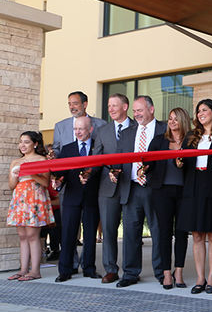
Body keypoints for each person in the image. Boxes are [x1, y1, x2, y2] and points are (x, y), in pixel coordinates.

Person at [113, 95, 167, 287]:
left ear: (151, 109)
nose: (136, 114)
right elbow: (119, 159)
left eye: (140, 110)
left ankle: (162, 273)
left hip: (156, 188)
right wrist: (114, 171)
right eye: (134, 111)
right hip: (132, 187)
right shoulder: (127, 133)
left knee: (159, 232)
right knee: (130, 233)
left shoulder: (165, 129)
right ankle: (130, 273)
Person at [179, 99, 212, 294]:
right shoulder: (191, 135)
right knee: (197, 235)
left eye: (204, 110)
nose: (200, 114)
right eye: (198, 111)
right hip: (193, 186)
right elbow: (182, 161)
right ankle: (200, 277)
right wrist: (179, 162)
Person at [146, 108, 192, 289]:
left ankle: (178, 272)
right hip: (162, 192)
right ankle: (166, 273)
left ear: (183, 121)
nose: (172, 122)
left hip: (184, 193)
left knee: (181, 233)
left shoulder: (191, 141)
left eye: (176, 119)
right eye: (170, 119)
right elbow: (146, 162)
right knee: (164, 233)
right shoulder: (159, 141)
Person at [53, 116, 102, 282]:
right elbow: (61, 174)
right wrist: (58, 181)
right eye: (75, 129)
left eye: (81, 129)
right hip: (72, 198)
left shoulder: (98, 147)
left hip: (91, 198)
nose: (78, 132)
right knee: (67, 235)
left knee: (90, 236)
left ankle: (89, 268)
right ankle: (65, 270)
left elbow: (102, 169)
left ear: (91, 129)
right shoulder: (67, 149)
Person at [92, 93, 133, 284]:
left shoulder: (138, 127)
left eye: (114, 105)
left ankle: (131, 270)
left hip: (131, 186)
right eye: (109, 106)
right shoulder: (103, 131)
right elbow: (96, 159)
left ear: (125, 107)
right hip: (107, 187)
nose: (110, 109)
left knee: (132, 231)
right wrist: (87, 174)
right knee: (108, 231)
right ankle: (110, 269)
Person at [7, 131, 54, 281]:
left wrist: (29, 171)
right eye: (21, 142)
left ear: (35, 144)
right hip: (20, 198)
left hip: (34, 198)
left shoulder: (41, 159)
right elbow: (11, 185)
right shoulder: (15, 162)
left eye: (26, 142)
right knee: (22, 236)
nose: (23, 145)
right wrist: (16, 174)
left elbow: (46, 183)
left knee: (33, 235)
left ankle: (35, 270)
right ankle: (23, 269)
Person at [52, 91, 106, 157]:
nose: (71, 107)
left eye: (75, 104)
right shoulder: (60, 126)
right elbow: (56, 150)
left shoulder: (101, 124)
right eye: (69, 104)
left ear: (85, 105)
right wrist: (53, 155)